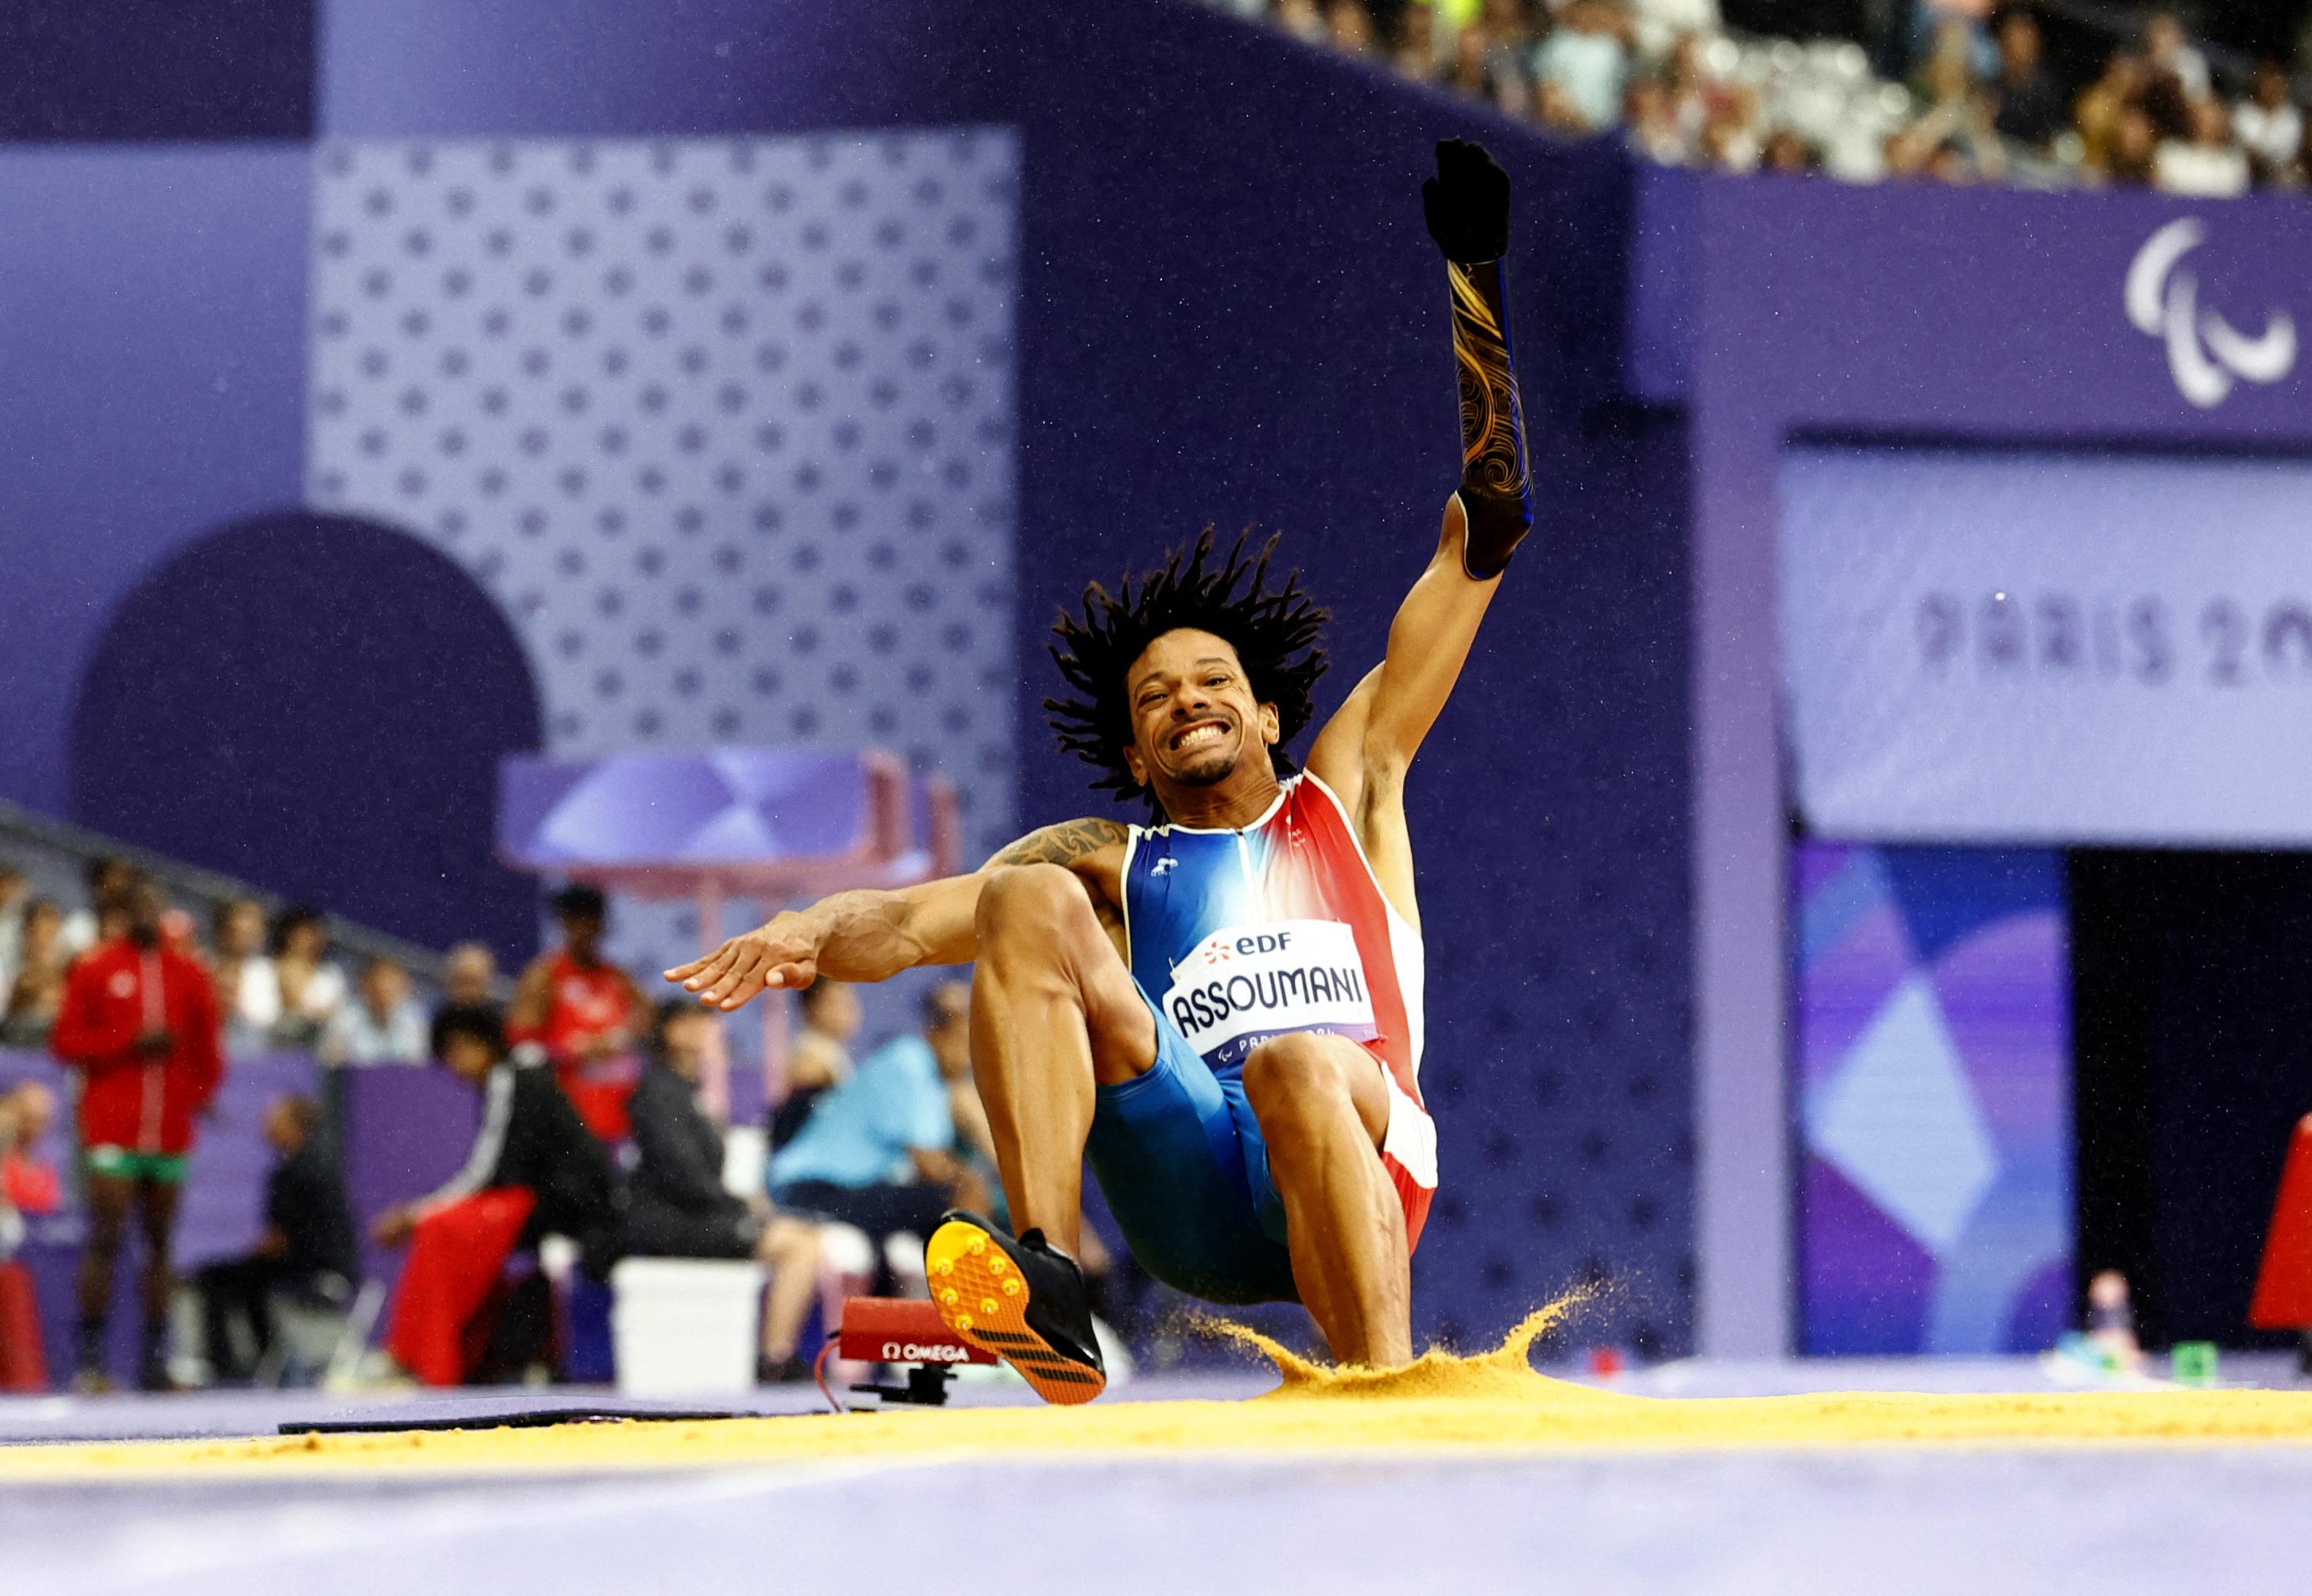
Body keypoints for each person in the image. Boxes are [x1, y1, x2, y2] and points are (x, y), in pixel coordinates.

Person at [671, 141, 1526, 1404]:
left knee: (1293, 1058)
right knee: (1027, 899)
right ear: (1135, 749)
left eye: (1212, 681)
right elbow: (909, 925)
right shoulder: (1114, 859)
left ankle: (1384, 1391)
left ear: (1272, 709)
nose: (1187, 698)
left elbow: (1492, 525)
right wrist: (810, 928)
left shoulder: (1351, 782)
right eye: (1156, 696)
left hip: (1354, 1148)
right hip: (1193, 1184)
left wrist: (1475, 282)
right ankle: (1051, 1286)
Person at [371, 1004, 616, 1386]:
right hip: (550, 1200)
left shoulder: (510, 1077)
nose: (454, 1064)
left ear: (484, 1044)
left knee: (439, 1229)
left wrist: (417, 1213)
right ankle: (428, 1355)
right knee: (444, 1228)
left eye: (458, 1050)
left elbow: (486, 1171)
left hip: (568, 1206)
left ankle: (423, 1357)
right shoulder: (513, 1077)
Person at [50, 873, 224, 1391]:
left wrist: (192, 1094)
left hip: (168, 1130)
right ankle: (92, 1361)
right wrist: (128, 1041)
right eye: (139, 907)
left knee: (162, 1245)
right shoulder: (97, 967)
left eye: (157, 904)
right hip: (113, 1125)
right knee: (105, 1239)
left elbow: (208, 1048)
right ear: (124, 913)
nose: (149, 915)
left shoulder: (188, 973)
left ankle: (154, 1362)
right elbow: (66, 1041)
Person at [623, 1002, 822, 1382]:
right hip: (671, 1225)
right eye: (697, 1023)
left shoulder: (685, 1092)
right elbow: (683, 1177)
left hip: (695, 1215)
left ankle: (774, 1354)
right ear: (673, 1033)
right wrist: (741, 1208)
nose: (709, 1032)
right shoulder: (659, 1093)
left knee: (803, 1236)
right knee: (798, 1247)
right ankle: (774, 1358)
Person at [769, 983, 996, 1279]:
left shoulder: (934, 1078)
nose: (970, 1058)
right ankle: (970, 1294)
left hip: (843, 1187)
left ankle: (947, 1298)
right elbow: (930, 1165)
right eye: (964, 1044)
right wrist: (974, 1180)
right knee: (965, 1193)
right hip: (810, 1189)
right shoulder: (910, 1061)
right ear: (938, 1034)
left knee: (954, 1197)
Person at [190, 1094, 356, 1385]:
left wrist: (252, 1256)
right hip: (333, 1265)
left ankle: (226, 1366)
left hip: (311, 1268)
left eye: (274, 1118)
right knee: (250, 1279)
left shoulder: (293, 1172)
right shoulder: (319, 1164)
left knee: (216, 1277)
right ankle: (262, 1359)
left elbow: (278, 1242)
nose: (265, 1124)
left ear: (295, 1126)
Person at [509, 885, 644, 1141]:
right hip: (564, 1113)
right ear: (564, 924)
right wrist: (570, 1052)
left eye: (591, 921)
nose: (584, 930)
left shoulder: (617, 978)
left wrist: (623, 1039)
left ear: (602, 925)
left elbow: (650, 1027)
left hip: (615, 1112)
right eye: (576, 921)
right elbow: (519, 1044)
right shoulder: (544, 976)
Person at [770, 977, 859, 1151]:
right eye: (835, 1003)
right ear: (810, 1008)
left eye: (849, 1002)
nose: (848, 1010)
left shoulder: (833, 1054)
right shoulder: (808, 1059)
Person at [319, 955, 428, 1067]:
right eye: (378, 986)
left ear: (403, 987)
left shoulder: (414, 1021)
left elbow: (415, 1067)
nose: (384, 993)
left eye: (391, 987)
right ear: (365, 986)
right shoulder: (346, 1016)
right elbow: (330, 1061)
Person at [208, 899, 281, 1048]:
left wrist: (234, 1007)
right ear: (223, 930)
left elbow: (267, 1017)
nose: (245, 938)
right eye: (238, 932)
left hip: (247, 1050)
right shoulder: (201, 962)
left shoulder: (265, 972)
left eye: (251, 933)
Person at [271, 906, 347, 1048]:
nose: (311, 940)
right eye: (305, 933)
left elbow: (336, 1022)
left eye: (316, 934)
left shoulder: (330, 977)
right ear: (288, 934)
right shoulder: (264, 969)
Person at [2, 898, 67, 1047]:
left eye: (54, 932)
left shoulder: (71, 971)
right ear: (27, 934)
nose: (50, 939)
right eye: (43, 932)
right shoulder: (7, 971)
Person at [59, 855, 134, 960]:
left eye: (124, 878)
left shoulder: (132, 934)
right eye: (115, 877)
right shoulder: (79, 924)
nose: (120, 885)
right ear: (99, 883)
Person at [441, 940, 502, 1013]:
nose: (465, 990)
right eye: (461, 982)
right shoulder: (440, 1014)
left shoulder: (495, 1017)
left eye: (471, 983)